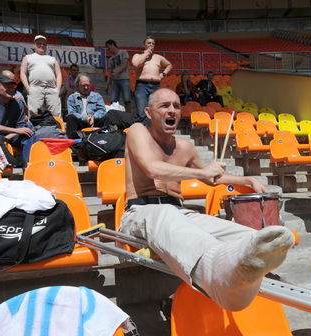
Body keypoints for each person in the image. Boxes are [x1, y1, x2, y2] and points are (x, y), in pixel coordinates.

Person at [119, 88, 295, 311]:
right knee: (167, 214)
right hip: (140, 213)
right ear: (148, 112)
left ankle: (241, 278)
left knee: (253, 240)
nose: (172, 110)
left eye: (176, 106)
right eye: (164, 106)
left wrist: (247, 179)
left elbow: (211, 178)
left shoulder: (185, 147)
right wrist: (202, 172)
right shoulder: (138, 131)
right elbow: (152, 169)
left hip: (178, 212)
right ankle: (215, 274)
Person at [0, 75, 35, 167]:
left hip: (13, 136)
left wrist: (7, 137)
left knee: (29, 129)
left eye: (12, 87)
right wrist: (15, 131)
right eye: (7, 86)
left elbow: (21, 126)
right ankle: (7, 162)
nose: (11, 89)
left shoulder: (18, 103)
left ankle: (28, 167)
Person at [131, 36, 172, 123]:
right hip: (142, 85)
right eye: (149, 43)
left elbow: (169, 65)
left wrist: (163, 74)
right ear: (144, 45)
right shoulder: (137, 56)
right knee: (142, 111)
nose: (151, 45)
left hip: (156, 86)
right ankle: (144, 129)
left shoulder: (158, 57)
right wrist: (146, 54)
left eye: (153, 43)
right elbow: (136, 64)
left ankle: (157, 128)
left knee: (157, 109)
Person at [20, 35, 62, 118]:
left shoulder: (52, 59)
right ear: (34, 45)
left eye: (44, 44)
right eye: (39, 43)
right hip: (35, 88)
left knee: (56, 115)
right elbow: (22, 73)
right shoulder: (28, 57)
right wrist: (28, 88)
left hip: (52, 89)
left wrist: (58, 90)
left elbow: (59, 74)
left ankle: (57, 127)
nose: (41, 45)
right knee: (34, 115)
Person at [65, 74, 108, 138]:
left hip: (93, 121)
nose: (86, 87)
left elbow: (102, 110)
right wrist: (85, 118)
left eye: (88, 85)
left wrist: (93, 117)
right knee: (71, 117)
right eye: (83, 85)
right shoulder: (72, 97)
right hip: (80, 122)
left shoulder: (97, 96)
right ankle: (72, 140)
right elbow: (72, 112)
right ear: (78, 85)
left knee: (108, 116)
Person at [105, 39, 132, 111]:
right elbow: (110, 73)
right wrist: (107, 84)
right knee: (113, 101)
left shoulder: (123, 52)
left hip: (124, 79)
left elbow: (125, 65)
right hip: (115, 81)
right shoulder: (110, 59)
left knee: (127, 100)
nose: (108, 49)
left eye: (108, 47)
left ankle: (129, 115)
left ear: (112, 44)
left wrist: (116, 73)